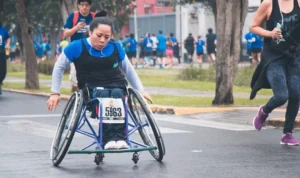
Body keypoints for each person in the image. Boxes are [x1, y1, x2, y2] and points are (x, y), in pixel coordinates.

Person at [47, 16, 152, 150]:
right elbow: (59, 66)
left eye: (107, 37)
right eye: (99, 35)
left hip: (115, 83)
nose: (102, 40)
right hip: (91, 86)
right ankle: (108, 138)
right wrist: (55, 92)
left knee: (117, 93)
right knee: (104, 95)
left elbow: (128, 69)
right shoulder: (77, 46)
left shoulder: (115, 47)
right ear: (90, 32)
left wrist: (141, 90)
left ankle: (119, 137)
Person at [250, 0, 300, 145]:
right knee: (281, 96)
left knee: (296, 93)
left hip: (294, 57)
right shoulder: (269, 4)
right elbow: (253, 26)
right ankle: (264, 111)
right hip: (274, 58)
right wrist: (270, 33)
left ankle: (287, 134)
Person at [63, 0, 96, 93]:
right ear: (78, 5)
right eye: (82, 5)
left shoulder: (94, 17)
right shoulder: (73, 16)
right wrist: (76, 28)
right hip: (76, 51)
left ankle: (90, 94)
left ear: (90, 6)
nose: (84, 7)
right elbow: (66, 33)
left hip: (91, 50)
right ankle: (76, 96)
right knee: (74, 76)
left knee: (92, 74)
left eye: (86, 5)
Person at [0, 21, 11, 95]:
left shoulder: (3, 29)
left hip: (1, 52)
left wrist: (7, 44)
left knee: (2, 70)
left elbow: (8, 38)